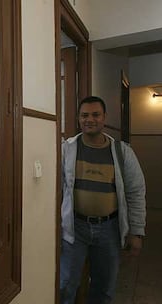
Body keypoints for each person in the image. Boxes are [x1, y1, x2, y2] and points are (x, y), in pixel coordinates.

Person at [60, 96, 146, 304]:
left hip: (109, 229)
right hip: (75, 228)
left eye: (95, 115)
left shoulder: (122, 152)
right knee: (65, 285)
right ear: (79, 119)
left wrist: (136, 232)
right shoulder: (67, 149)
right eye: (85, 115)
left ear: (104, 117)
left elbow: (136, 192)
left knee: (104, 287)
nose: (90, 119)